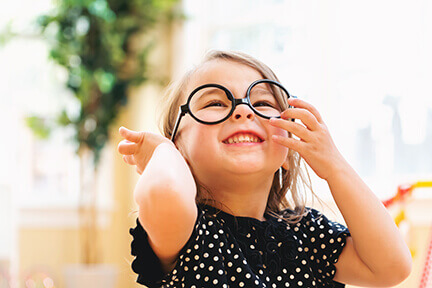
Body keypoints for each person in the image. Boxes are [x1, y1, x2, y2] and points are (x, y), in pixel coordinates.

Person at [117, 50, 412, 288]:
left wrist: (334, 166)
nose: (243, 110)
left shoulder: (306, 233)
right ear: (179, 149)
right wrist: (163, 152)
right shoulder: (188, 231)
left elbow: (391, 268)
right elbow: (164, 190)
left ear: (286, 151)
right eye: (216, 102)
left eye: (261, 102)